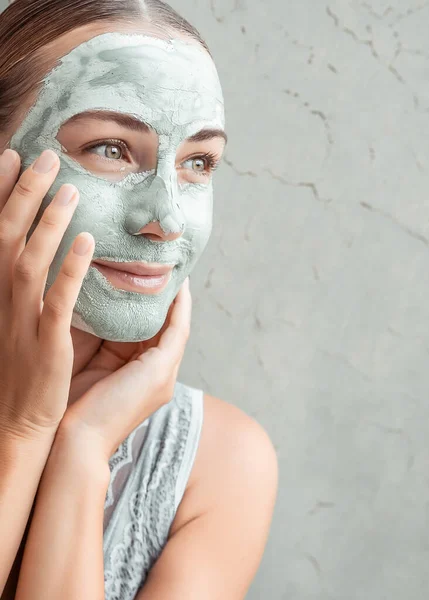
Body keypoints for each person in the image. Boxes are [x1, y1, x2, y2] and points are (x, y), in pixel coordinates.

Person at [0, 1, 278, 598]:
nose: (167, 220)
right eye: (110, 148)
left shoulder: (223, 463)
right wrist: (20, 430)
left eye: (198, 162)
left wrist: (83, 449)